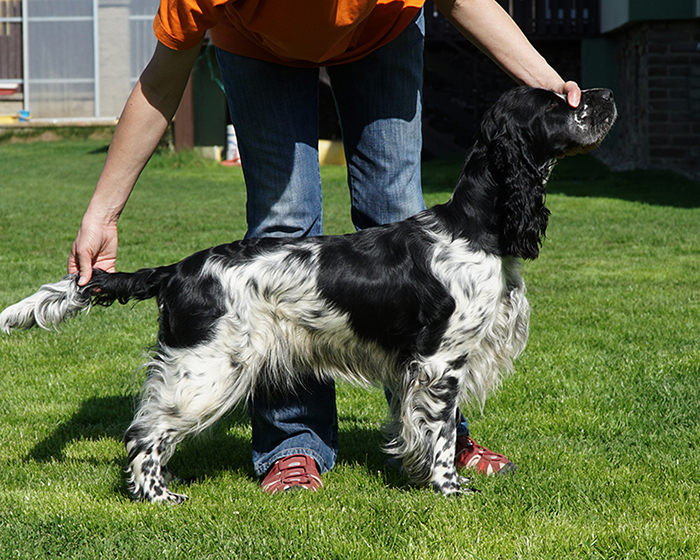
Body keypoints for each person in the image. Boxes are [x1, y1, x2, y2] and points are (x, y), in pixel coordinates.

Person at [69, 0, 583, 494]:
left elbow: (463, 0)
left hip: (384, 32)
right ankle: (292, 442)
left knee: (396, 207)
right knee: (283, 222)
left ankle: (441, 444)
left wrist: (549, 86)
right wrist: (103, 213)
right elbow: (160, 81)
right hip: (257, 46)